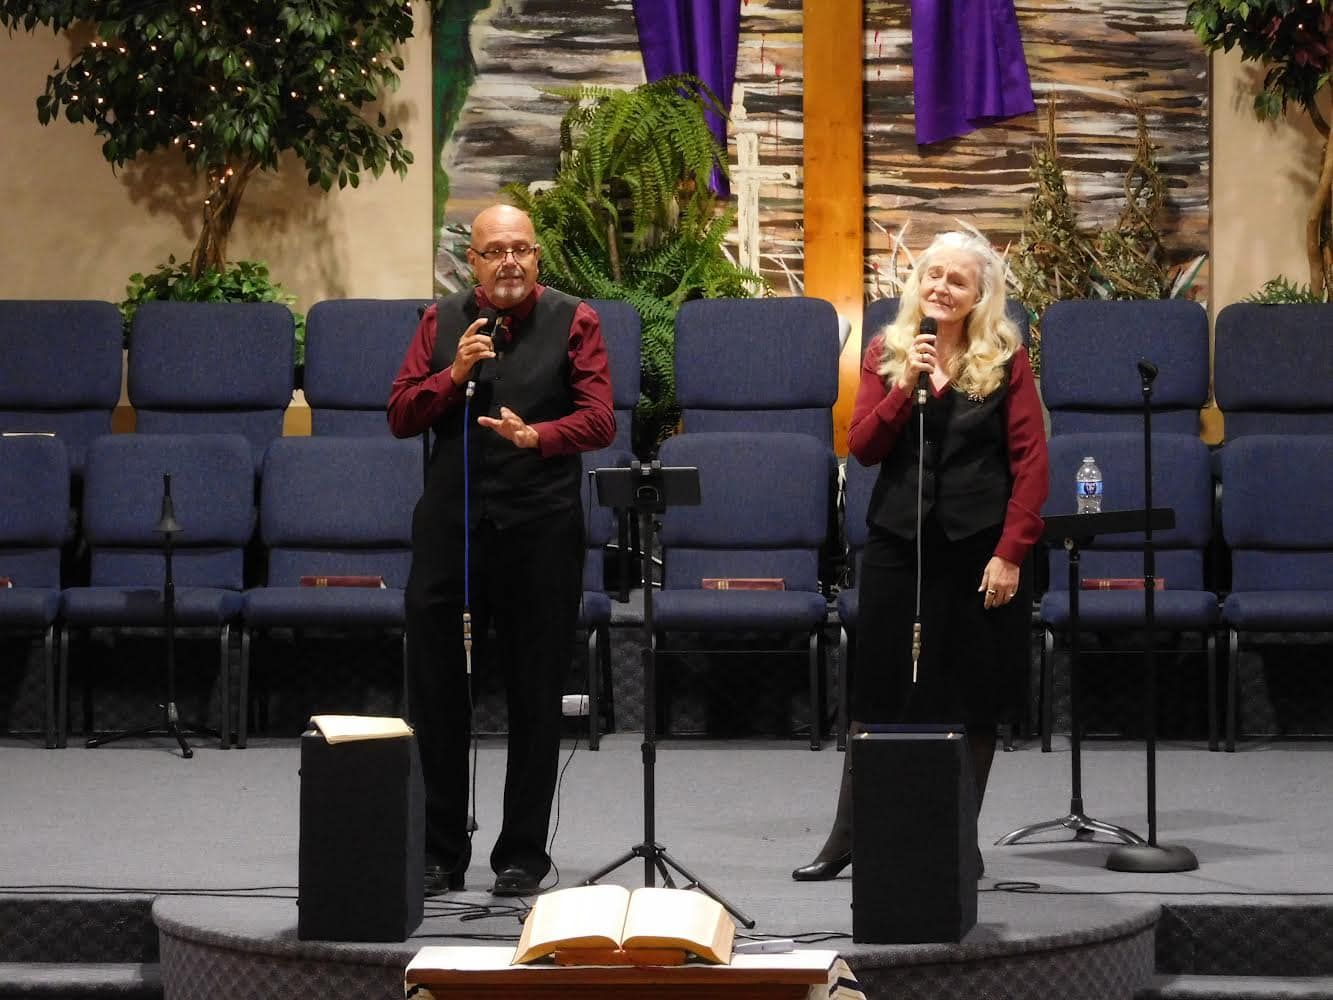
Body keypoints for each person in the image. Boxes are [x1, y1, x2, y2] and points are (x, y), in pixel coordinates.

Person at [792, 230, 1048, 881]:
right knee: (876, 694)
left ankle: (959, 840)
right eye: (932, 276)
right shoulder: (886, 351)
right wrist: (905, 384)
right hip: (897, 548)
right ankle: (849, 838)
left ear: (980, 294)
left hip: (980, 552)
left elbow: (1031, 463)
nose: (940, 288)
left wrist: (1011, 553)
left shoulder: (1005, 360)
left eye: (955, 280)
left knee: (974, 698)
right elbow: (864, 448)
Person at [388, 204, 615, 897]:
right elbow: (401, 415)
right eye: (495, 251)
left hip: (539, 531)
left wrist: (537, 437)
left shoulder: (574, 319)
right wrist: (451, 377)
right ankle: (438, 851)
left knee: (534, 696)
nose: (509, 261)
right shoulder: (439, 323)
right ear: (474, 261)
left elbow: (600, 418)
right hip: (450, 532)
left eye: (520, 249)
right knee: (437, 694)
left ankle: (521, 855)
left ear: (536, 256)